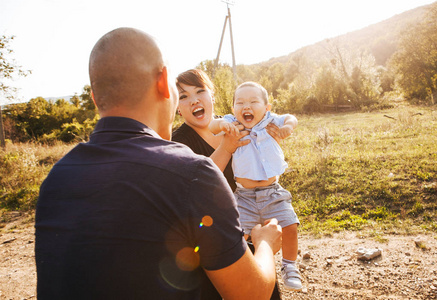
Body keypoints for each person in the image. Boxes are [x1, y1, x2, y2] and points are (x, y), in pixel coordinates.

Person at [34, 27, 282, 300]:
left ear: (94, 98)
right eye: (183, 94)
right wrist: (266, 243)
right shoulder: (193, 173)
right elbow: (252, 294)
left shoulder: (56, 179)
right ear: (164, 83)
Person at [172, 69, 283, 299]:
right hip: (211, 243)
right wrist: (227, 148)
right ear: (177, 107)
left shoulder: (235, 123)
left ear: (211, 96)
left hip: (249, 227)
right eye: (183, 96)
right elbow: (196, 185)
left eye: (200, 91)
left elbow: (263, 167)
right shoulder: (179, 142)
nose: (194, 100)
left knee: (266, 291)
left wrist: (275, 137)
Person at [209, 81, 302, 291]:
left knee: (290, 226)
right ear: (233, 109)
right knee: (237, 235)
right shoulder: (232, 122)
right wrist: (223, 125)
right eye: (240, 102)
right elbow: (211, 126)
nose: (246, 106)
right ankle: (235, 272)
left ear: (267, 107)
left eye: (253, 101)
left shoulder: (270, 120)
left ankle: (290, 266)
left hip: (273, 192)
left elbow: (292, 118)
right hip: (244, 196)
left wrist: (287, 127)